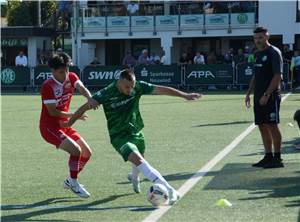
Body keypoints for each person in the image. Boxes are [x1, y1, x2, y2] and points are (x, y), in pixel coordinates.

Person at [62, 69, 202, 205]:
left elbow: (162, 89)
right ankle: (171, 191)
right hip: (119, 136)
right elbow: (83, 108)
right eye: (126, 87)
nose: (130, 90)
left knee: (140, 163)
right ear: (119, 82)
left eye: (132, 86)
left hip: (136, 132)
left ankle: (134, 178)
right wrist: (69, 123)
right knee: (139, 160)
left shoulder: (138, 87)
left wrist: (185, 95)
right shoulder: (106, 93)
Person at [39, 52, 99, 198]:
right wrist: (75, 114)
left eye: (66, 70)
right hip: (49, 127)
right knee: (76, 150)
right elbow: (53, 112)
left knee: (86, 152)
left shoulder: (71, 77)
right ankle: (74, 182)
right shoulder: (48, 86)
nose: (65, 74)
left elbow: (81, 87)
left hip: (64, 125)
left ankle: (70, 180)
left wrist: (90, 98)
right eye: (61, 71)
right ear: (52, 71)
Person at [245, 27, 284, 168]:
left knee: (272, 125)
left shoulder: (274, 52)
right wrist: (249, 92)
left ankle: (277, 158)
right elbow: (256, 75)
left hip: (271, 95)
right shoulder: (257, 53)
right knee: (261, 125)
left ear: (267, 37)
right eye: (255, 38)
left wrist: (267, 94)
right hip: (258, 96)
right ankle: (268, 156)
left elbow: (278, 76)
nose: (258, 40)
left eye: (260, 37)